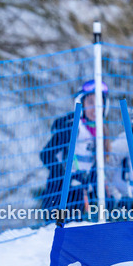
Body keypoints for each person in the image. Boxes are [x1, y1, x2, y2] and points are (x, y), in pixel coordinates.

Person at [40, 78, 109, 217]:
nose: (95, 108)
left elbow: (94, 169)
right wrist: (67, 176)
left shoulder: (101, 131)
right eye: (90, 102)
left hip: (84, 194)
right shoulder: (72, 127)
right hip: (60, 195)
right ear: (81, 104)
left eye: (99, 103)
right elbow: (46, 155)